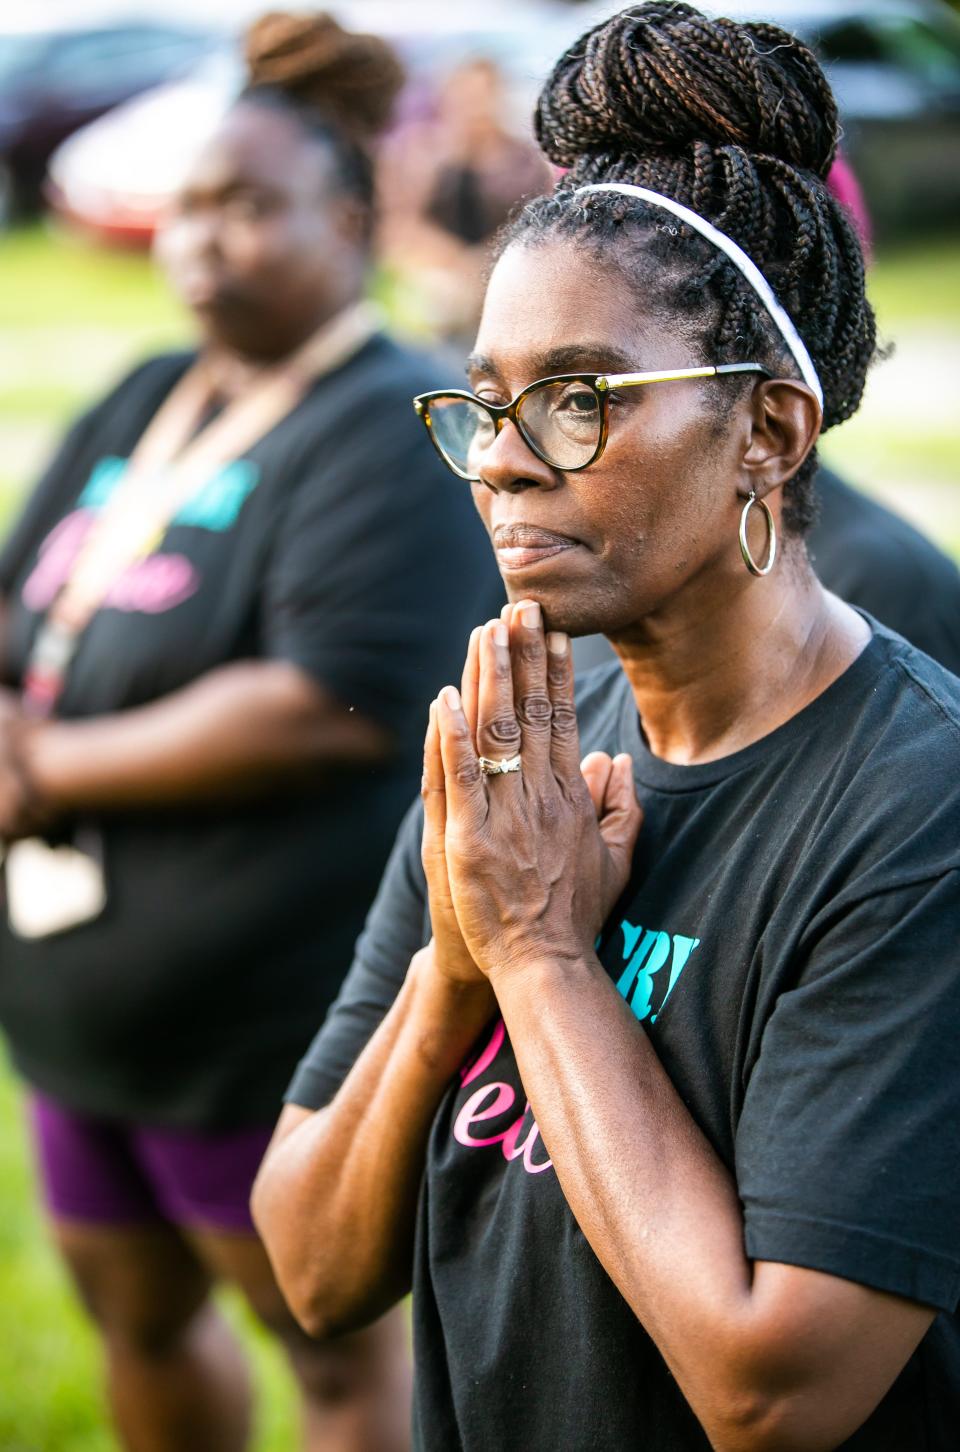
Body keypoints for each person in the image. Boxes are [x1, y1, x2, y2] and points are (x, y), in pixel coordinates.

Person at [253, 5, 960, 1449]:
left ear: (766, 431)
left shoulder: (917, 807)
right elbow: (315, 1271)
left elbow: (774, 1388)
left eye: (580, 401)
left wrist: (539, 953)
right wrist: (458, 974)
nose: (503, 464)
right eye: (490, 402)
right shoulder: (522, 746)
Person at [0, 11, 500, 1452]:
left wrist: (40, 768)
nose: (201, 239)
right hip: (75, 1010)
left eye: (247, 206)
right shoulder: (144, 398)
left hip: (257, 1018)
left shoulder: (393, 422)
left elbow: (323, 702)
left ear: (346, 220)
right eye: (189, 207)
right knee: (134, 1319)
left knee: (333, 1356)